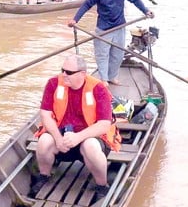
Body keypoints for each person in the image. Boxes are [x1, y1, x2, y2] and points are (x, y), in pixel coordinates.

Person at [29, 54, 121, 198]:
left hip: (89, 138)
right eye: (62, 70)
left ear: (83, 74)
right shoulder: (53, 83)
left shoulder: (98, 89)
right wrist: (58, 139)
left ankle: (102, 185)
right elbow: (45, 114)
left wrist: (78, 137)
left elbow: (104, 125)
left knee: (90, 145)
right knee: (44, 141)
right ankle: (44, 176)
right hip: (62, 139)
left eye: (69, 72)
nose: (64, 75)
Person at [67, 0, 154, 86]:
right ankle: (103, 78)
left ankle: (112, 76)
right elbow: (87, 5)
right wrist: (75, 19)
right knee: (102, 55)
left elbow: (135, 0)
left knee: (117, 55)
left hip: (119, 27)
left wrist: (146, 11)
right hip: (103, 29)